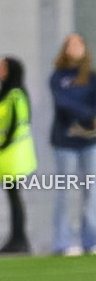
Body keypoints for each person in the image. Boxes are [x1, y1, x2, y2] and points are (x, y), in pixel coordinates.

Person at [49, 33, 96, 256]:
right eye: (72, 44)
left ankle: (90, 240)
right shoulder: (58, 77)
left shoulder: (92, 78)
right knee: (65, 192)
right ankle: (63, 242)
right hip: (65, 142)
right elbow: (64, 103)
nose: (76, 47)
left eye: (79, 43)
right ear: (65, 49)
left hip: (90, 141)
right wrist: (89, 117)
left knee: (92, 191)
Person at [0, 57, 36, 255]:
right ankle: (17, 237)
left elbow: (16, 123)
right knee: (13, 198)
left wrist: (3, 144)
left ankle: (19, 239)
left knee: (15, 198)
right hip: (5, 157)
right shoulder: (6, 94)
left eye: (2, 67)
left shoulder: (15, 95)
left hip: (13, 157)